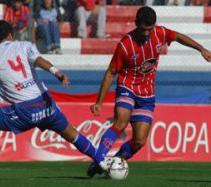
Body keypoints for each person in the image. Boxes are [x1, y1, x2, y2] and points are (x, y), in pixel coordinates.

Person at [0, 20, 99, 181]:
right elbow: (38, 60)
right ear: (11, 35)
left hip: (25, 110)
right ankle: (102, 160)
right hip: (45, 103)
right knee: (71, 133)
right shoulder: (24, 45)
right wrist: (57, 72)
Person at [87, 6, 211, 177]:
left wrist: (201, 49)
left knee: (139, 141)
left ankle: (113, 163)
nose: (146, 34)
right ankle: (99, 159)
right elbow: (111, 72)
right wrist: (99, 102)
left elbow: (179, 37)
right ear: (136, 23)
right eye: (143, 29)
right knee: (121, 122)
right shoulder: (125, 44)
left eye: (150, 30)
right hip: (127, 87)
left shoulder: (160, 33)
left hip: (146, 94)